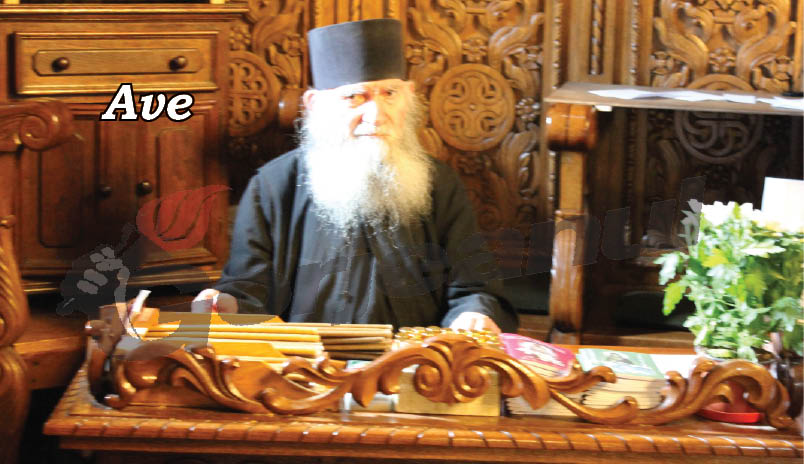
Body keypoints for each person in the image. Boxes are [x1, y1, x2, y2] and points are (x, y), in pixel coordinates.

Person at [194, 18, 517, 334]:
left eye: (389, 93)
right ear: (315, 104)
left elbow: (474, 287)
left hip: (414, 361)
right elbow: (248, 291)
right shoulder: (273, 186)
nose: (376, 115)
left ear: (408, 96)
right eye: (354, 97)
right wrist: (223, 305)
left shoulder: (439, 183)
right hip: (304, 362)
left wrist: (474, 313)